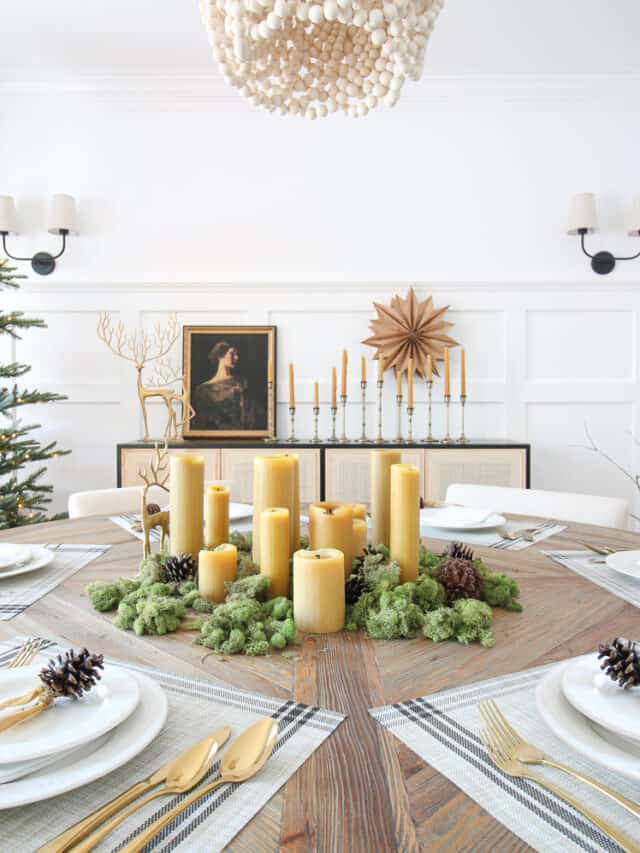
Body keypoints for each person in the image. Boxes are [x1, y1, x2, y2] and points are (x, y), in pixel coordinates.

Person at [192, 339, 256, 431]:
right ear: (219, 355)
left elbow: (250, 414)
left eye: (237, 354)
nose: (236, 357)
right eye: (232, 353)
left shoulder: (241, 382)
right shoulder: (203, 389)